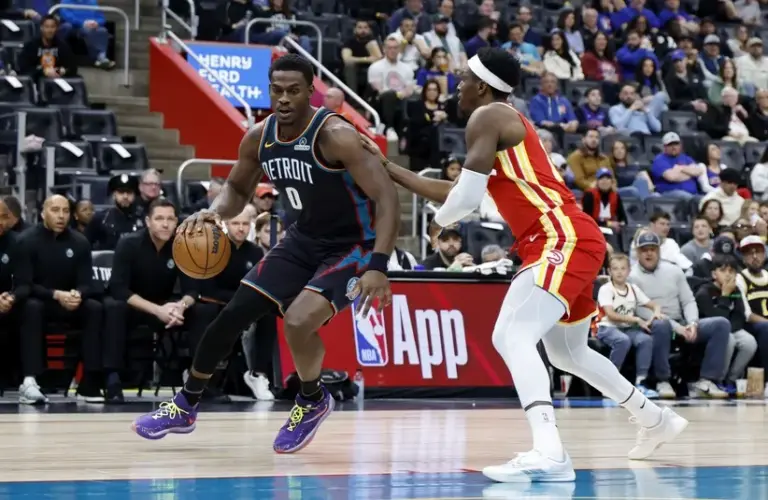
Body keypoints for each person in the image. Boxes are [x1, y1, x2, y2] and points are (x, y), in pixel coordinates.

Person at [360, 47, 686, 482]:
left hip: (559, 236)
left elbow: (465, 201)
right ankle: (653, 419)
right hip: (570, 237)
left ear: (483, 85)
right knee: (568, 352)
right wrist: (388, 167)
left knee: (512, 334)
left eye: (464, 79)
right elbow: (456, 189)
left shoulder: (488, 115)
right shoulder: (503, 126)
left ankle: (550, 451)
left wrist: (437, 225)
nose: (458, 86)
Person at [131, 55, 401, 453]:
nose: (284, 98)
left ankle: (311, 399)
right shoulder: (259, 136)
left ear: (312, 91)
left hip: (353, 247)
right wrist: (214, 211)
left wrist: (378, 265)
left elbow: (387, 197)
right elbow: (238, 191)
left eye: (294, 90)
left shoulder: (335, 136)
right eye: (277, 90)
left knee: (296, 321)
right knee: (230, 316)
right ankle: (185, 404)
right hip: (302, 240)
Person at [101, 198, 201, 403]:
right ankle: (112, 379)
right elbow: (119, 289)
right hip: (135, 307)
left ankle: (199, 379)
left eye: (170, 219)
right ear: (148, 221)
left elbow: (193, 290)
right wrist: (157, 310)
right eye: (159, 219)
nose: (165, 224)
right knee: (114, 307)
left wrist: (180, 307)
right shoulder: (128, 243)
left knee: (203, 311)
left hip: (167, 309)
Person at [15, 195, 104, 403]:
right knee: (31, 307)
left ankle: (89, 382)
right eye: (55, 210)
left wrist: (78, 294)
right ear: (43, 212)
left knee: (94, 308)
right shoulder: (26, 241)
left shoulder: (80, 242)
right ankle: (29, 380)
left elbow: (86, 282)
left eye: (65, 211)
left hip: (69, 302)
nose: (61, 216)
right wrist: (56, 294)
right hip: (40, 301)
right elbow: (25, 284)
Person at [597, 253, 661, 398]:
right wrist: (636, 320)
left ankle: (641, 382)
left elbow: (654, 305)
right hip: (607, 327)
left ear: (629, 271)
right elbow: (611, 315)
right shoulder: (606, 289)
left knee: (645, 340)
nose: (619, 272)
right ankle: (610, 383)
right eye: (615, 269)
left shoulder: (633, 288)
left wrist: (656, 313)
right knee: (622, 340)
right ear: (609, 271)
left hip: (627, 328)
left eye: (623, 268)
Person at [86, 174, 142, 250]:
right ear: (114, 195)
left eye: (129, 192)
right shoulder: (101, 219)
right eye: (121, 192)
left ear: (134, 195)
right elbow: (85, 245)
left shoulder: (144, 218)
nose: (125, 196)